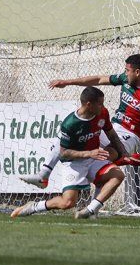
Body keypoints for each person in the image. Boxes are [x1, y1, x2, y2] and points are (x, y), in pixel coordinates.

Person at [21, 54, 140, 188]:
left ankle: (91, 203)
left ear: (137, 72)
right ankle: (44, 175)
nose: (124, 73)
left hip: (130, 135)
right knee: (65, 137)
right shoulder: (126, 80)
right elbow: (99, 79)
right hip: (111, 127)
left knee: (103, 159)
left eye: (127, 71)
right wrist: (67, 82)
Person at [11, 87, 126, 219]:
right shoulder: (70, 124)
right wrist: (89, 153)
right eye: (100, 103)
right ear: (89, 104)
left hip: (94, 159)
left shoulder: (102, 113)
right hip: (73, 163)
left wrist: (124, 153)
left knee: (118, 175)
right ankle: (34, 206)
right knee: (68, 203)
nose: (103, 106)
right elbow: (64, 153)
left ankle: (91, 210)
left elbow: (112, 135)